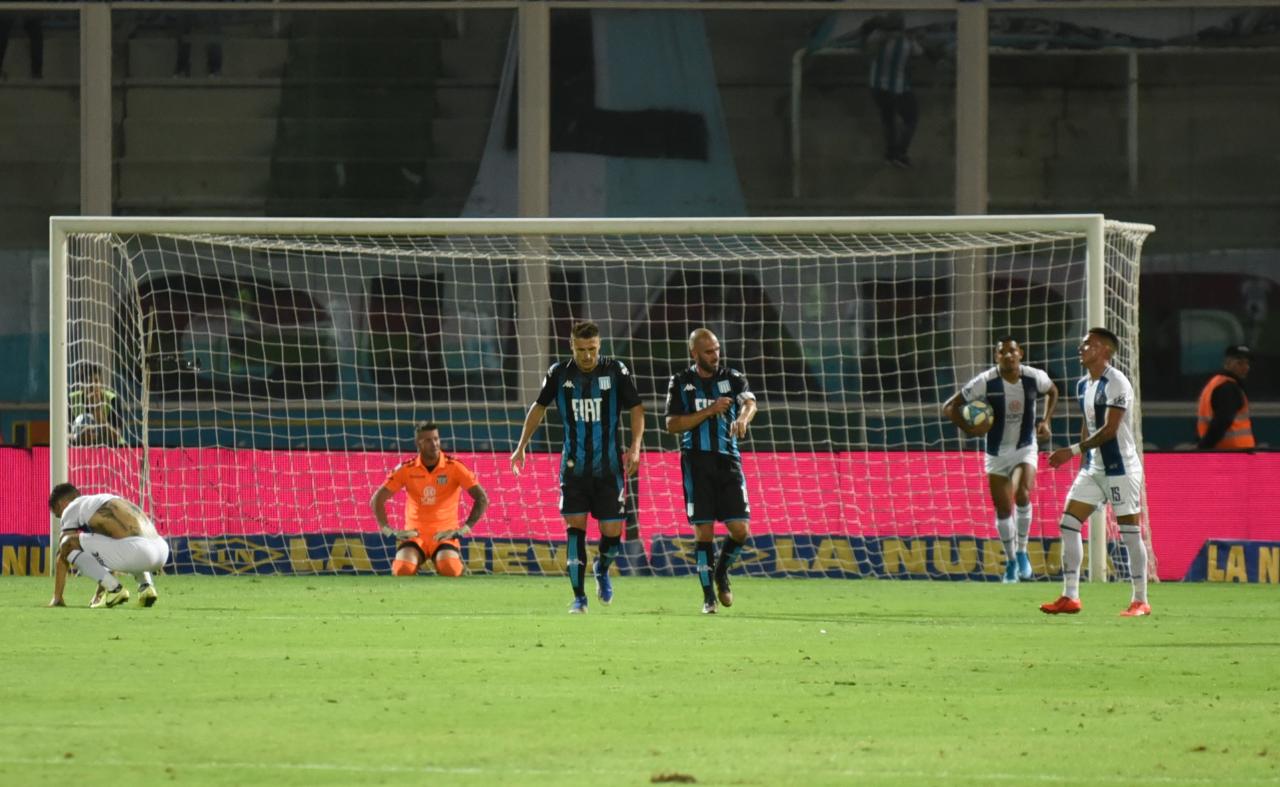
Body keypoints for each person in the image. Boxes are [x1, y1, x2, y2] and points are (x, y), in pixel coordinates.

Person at [510, 320, 644, 614]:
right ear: (571, 346)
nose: (587, 356)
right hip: (573, 470)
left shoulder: (616, 371)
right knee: (575, 530)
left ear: (600, 346)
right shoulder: (559, 373)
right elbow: (538, 407)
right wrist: (521, 446)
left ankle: (602, 568)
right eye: (581, 350)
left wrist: (635, 447)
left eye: (592, 349)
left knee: (612, 534)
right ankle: (579, 597)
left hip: (609, 470)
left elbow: (636, 408)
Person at [1042, 328, 1151, 617]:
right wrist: (1083, 463)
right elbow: (1089, 425)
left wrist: (1072, 451)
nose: (1081, 347)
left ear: (1104, 350)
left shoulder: (1117, 383)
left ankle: (1140, 599)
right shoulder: (1082, 385)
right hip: (1093, 468)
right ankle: (1070, 596)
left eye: (1088, 343)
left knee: (1129, 533)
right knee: (1068, 524)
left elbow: (1110, 430)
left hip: (1121, 469)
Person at [943, 336, 1059, 583]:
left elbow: (1052, 390)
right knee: (1004, 508)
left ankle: (1022, 551)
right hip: (996, 453)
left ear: (1021, 354)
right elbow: (949, 407)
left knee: (1023, 494)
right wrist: (969, 428)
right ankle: (1012, 562)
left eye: (1012, 351)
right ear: (996, 357)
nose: (1008, 355)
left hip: (1025, 448)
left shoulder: (1033, 377)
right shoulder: (986, 381)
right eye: (1002, 352)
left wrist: (1046, 420)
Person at [664, 328, 758, 614]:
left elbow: (751, 403)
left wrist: (742, 418)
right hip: (696, 463)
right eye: (708, 351)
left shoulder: (732, 377)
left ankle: (720, 572)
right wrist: (710, 410)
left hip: (728, 461)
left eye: (717, 349)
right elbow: (671, 425)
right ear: (694, 353)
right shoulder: (680, 382)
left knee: (740, 530)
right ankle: (708, 597)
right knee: (703, 533)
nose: (715, 356)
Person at [371, 422, 489, 578]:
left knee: (450, 569)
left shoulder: (454, 467)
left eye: (436, 439)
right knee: (402, 570)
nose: (434, 444)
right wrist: (388, 531)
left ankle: (458, 564)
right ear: (418, 444)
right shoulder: (406, 469)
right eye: (428, 440)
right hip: (415, 535)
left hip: (444, 536)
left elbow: (482, 498)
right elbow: (377, 500)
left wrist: (464, 529)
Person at [47, 483, 169, 609]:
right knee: (129, 540)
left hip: (137, 551)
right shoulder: (101, 501)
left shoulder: (71, 508)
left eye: (58, 514)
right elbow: (105, 553)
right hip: (161, 550)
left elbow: (63, 550)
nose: (61, 518)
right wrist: (98, 594)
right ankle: (146, 587)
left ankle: (115, 590)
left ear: (61, 504)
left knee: (67, 543)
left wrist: (57, 597)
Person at [863, 12, 923, 168]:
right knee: (911, 119)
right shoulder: (906, 40)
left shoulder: (876, 36)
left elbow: (868, 48)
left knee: (888, 120)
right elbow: (918, 52)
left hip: (877, 86)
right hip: (898, 86)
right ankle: (899, 154)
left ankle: (891, 154)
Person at [1196, 344, 1255, 450]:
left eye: (1247, 363)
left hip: (1228, 451)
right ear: (1227, 363)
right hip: (1234, 453)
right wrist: (1204, 447)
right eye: (1239, 363)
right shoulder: (1228, 388)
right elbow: (1222, 421)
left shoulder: (1216, 383)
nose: (1245, 367)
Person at [69, 365, 125, 447]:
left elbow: (117, 436)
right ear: (81, 386)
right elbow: (63, 435)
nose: (93, 386)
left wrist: (98, 413)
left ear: (101, 383)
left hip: (112, 450)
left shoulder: (112, 399)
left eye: (96, 381)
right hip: (81, 451)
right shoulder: (72, 400)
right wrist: (78, 436)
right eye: (88, 382)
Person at [0, 14, 43, 80]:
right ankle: (36, 72)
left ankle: (36, 72)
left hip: (27, 12)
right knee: (2, 27)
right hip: (8, 12)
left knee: (36, 30)